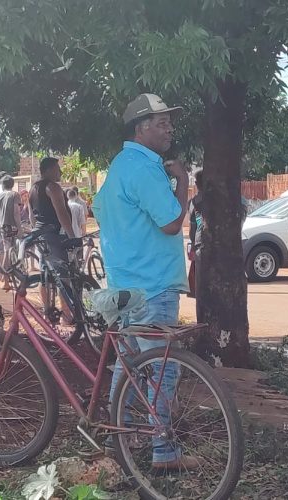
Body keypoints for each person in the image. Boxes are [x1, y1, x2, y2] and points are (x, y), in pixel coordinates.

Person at [92, 93, 194, 471]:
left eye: (170, 121)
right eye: (161, 122)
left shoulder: (119, 166)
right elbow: (170, 223)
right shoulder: (147, 169)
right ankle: (163, 451)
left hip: (125, 285)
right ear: (141, 128)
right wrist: (182, 180)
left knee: (130, 363)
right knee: (163, 367)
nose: (169, 128)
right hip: (154, 285)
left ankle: (121, 435)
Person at [29, 157, 77, 324]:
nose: (60, 172)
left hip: (39, 236)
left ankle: (47, 312)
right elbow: (61, 213)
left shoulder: (33, 188)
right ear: (48, 170)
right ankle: (67, 315)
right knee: (63, 275)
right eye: (57, 168)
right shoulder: (53, 187)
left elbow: (31, 216)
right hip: (53, 235)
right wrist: (72, 236)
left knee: (45, 275)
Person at [0, 175, 21, 269]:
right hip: (12, 226)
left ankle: (5, 277)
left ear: (2, 185)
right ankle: (6, 278)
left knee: (5, 250)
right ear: (12, 184)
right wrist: (19, 228)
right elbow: (16, 212)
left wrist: (1, 225)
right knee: (9, 252)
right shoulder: (15, 195)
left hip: (2, 226)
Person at [187, 170, 205, 298]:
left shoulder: (193, 202)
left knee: (200, 283)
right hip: (212, 244)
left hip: (200, 243)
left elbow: (193, 227)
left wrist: (193, 244)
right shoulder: (221, 199)